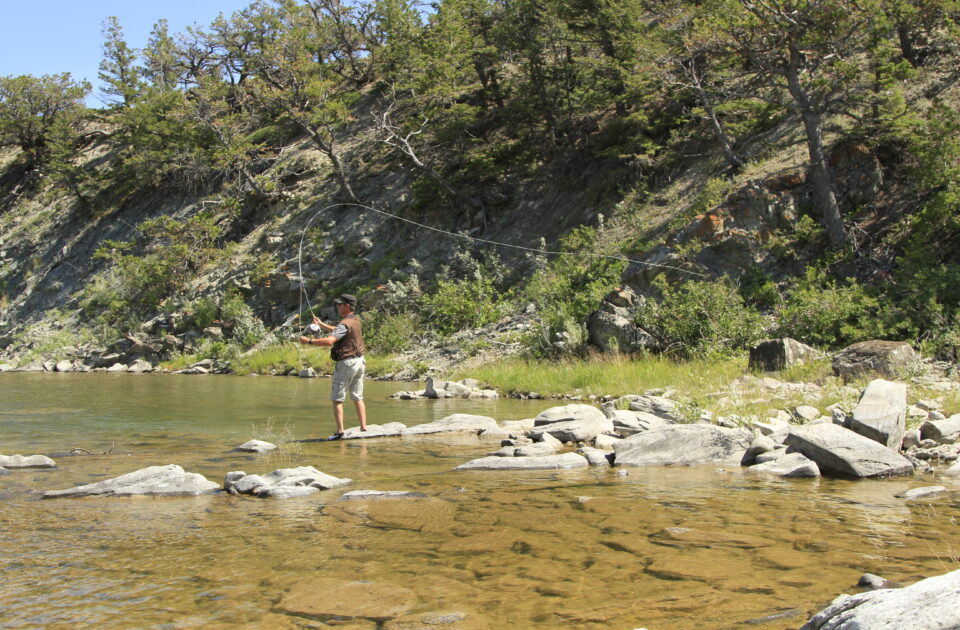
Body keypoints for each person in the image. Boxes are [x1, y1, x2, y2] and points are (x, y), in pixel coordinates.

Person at [299, 294, 367, 439]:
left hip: (347, 363)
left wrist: (309, 341)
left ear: (347, 306)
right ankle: (363, 428)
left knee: (337, 399)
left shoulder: (345, 323)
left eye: (339, 304)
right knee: (357, 397)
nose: (337, 307)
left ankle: (339, 432)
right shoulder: (354, 320)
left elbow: (330, 341)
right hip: (360, 362)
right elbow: (338, 330)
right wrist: (321, 324)